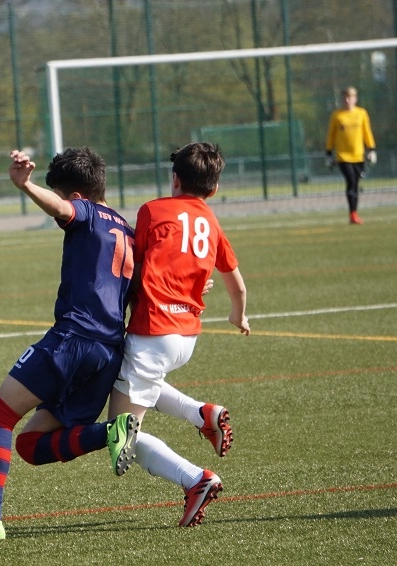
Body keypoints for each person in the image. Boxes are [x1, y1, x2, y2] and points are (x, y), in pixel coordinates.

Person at [0, 148, 140, 542]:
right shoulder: (129, 231)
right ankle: (110, 431)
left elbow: (64, 209)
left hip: (73, 339)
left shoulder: (85, 212)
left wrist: (26, 186)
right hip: (108, 353)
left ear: (77, 195)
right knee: (31, 445)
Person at [108, 142, 250, 528]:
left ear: (174, 179)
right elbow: (237, 286)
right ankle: (202, 414)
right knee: (128, 380)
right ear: (214, 189)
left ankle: (195, 479)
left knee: (119, 434)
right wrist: (238, 316)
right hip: (186, 336)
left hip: (153, 332)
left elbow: (134, 268)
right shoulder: (211, 223)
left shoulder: (153, 210)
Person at [326, 86, 377, 225]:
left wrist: (371, 149)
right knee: (351, 181)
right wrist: (329, 153)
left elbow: (367, 132)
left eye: (351, 97)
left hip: (358, 155)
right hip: (343, 156)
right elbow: (331, 135)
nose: (348, 100)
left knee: (355, 184)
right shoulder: (337, 115)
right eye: (346, 98)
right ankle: (353, 214)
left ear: (355, 99)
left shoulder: (362, 113)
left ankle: (354, 213)